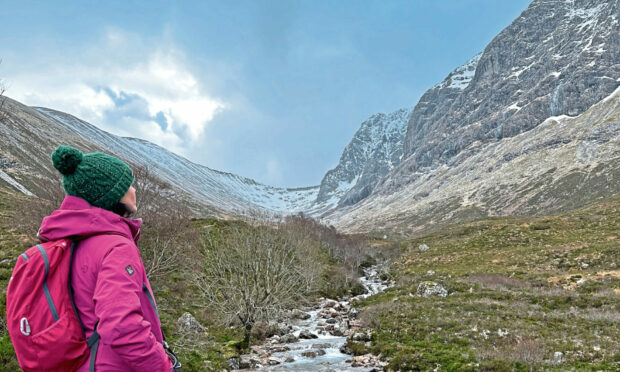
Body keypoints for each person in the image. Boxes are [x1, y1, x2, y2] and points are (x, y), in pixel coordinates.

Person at [37, 145, 173, 372]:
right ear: (111, 194)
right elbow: (121, 325)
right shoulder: (116, 246)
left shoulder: (68, 240)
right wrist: (162, 365)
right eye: (128, 185)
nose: (133, 190)